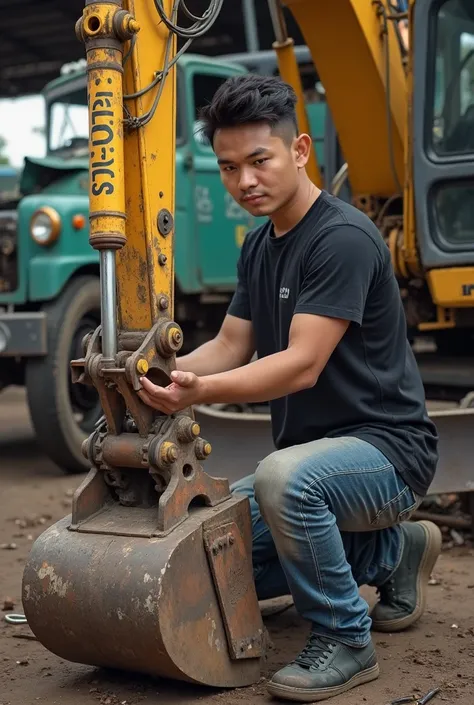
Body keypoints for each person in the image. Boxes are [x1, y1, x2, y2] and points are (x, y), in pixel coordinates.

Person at [138, 75, 441, 702]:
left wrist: (201, 392)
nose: (244, 181)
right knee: (213, 547)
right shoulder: (259, 247)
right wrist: (158, 377)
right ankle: (391, 554)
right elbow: (228, 344)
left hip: (386, 456)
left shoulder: (344, 238)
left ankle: (346, 638)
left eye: (259, 160)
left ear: (299, 150)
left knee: (282, 480)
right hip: (314, 467)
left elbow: (302, 363)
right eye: (228, 167)